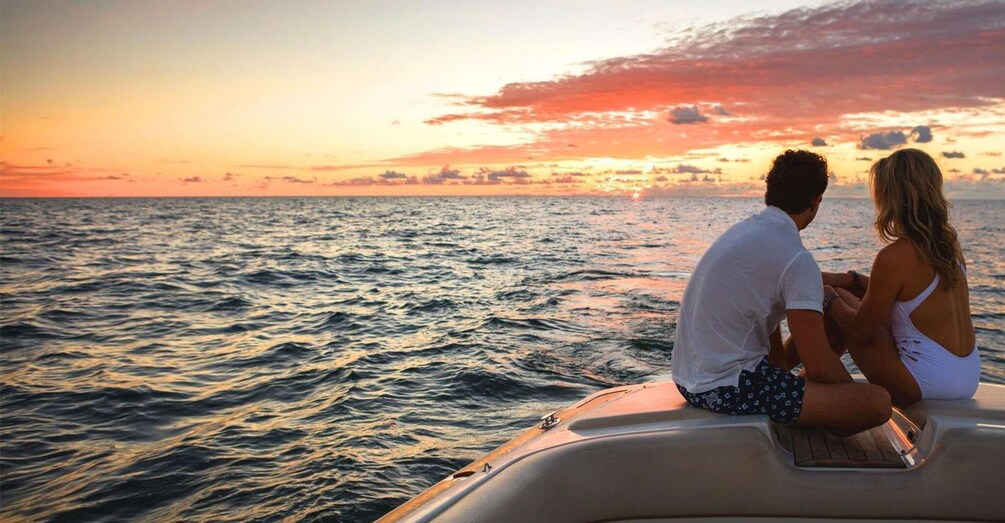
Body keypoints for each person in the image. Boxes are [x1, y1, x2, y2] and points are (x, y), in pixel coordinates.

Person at [671, 150, 891, 436]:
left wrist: (846, 280)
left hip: (690, 377)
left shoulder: (746, 231)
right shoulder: (794, 257)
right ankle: (805, 409)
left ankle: (799, 399)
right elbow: (819, 364)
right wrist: (847, 401)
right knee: (877, 403)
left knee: (828, 327)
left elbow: (788, 279)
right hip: (728, 387)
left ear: (770, 191)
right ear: (816, 201)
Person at [823, 149, 980, 408]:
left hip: (925, 383)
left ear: (891, 197)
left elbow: (862, 331)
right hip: (967, 377)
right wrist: (852, 279)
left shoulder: (894, 256)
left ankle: (817, 387)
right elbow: (904, 292)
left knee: (843, 302)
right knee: (854, 297)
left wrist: (829, 294)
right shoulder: (950, 246)